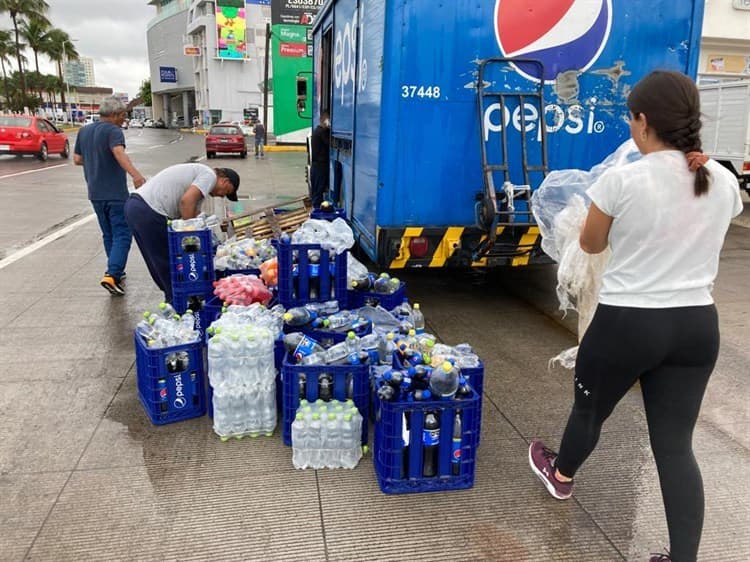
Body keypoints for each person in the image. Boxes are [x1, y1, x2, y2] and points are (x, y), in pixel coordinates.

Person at [528, 71, 743, 562]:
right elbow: (704, 215)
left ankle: (561, 476)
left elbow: (589, 244)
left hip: (628, 323)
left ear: (643, 122)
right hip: (695, 327)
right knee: (674, 446)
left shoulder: (622, 179)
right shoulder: (723, 179)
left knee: (589, 411)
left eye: (631, 118)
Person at [124, 164, 240, 302]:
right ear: (224, 181)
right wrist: (191, 238)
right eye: (226, 192)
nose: (221, 196)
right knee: (168, 262)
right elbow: (186, 203)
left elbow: (192, 211)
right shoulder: (209, 176)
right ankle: (178, 304)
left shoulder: (200, 178)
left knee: (158, 262)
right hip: (149, 210)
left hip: (135, 207)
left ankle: (173, 299)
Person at [74, 96, 146, 296]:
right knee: (123, 233)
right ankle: (112, 274)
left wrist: (96, 161)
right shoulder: (113, 131)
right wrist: (136, 175)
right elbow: (118, 153)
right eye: (123, 115)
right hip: (115, 193)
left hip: (95, 193)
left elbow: (77, 159)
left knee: (109, 234)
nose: (124, 120)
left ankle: (116, 271)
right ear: (114, 115)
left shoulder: (85, 130)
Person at [310, 112, 331, 207]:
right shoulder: (321, 132)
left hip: (316, 166)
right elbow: (329, 143)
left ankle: (315, 208)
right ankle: (317, 211)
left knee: (315, 190)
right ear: (325, 121)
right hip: (320, 166)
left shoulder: (316, 131)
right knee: (319, 190)